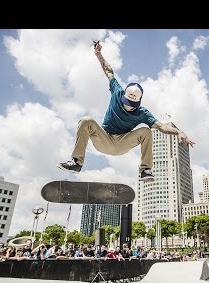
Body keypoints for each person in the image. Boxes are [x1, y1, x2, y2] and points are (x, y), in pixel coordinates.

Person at [58, 41, 195, 181]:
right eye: (127, 102)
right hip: (104, 138)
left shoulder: (143, 113)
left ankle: (145, 170)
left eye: (132, 104)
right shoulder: (117, 91)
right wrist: (98, 54)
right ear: (123, 96)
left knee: (146, 131)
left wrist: (179, 131)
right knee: (87, 121)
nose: (128, 106)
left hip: (122, 144)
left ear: (139, 102)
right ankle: (77, 163)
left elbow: (161, 126)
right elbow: (108, 71)